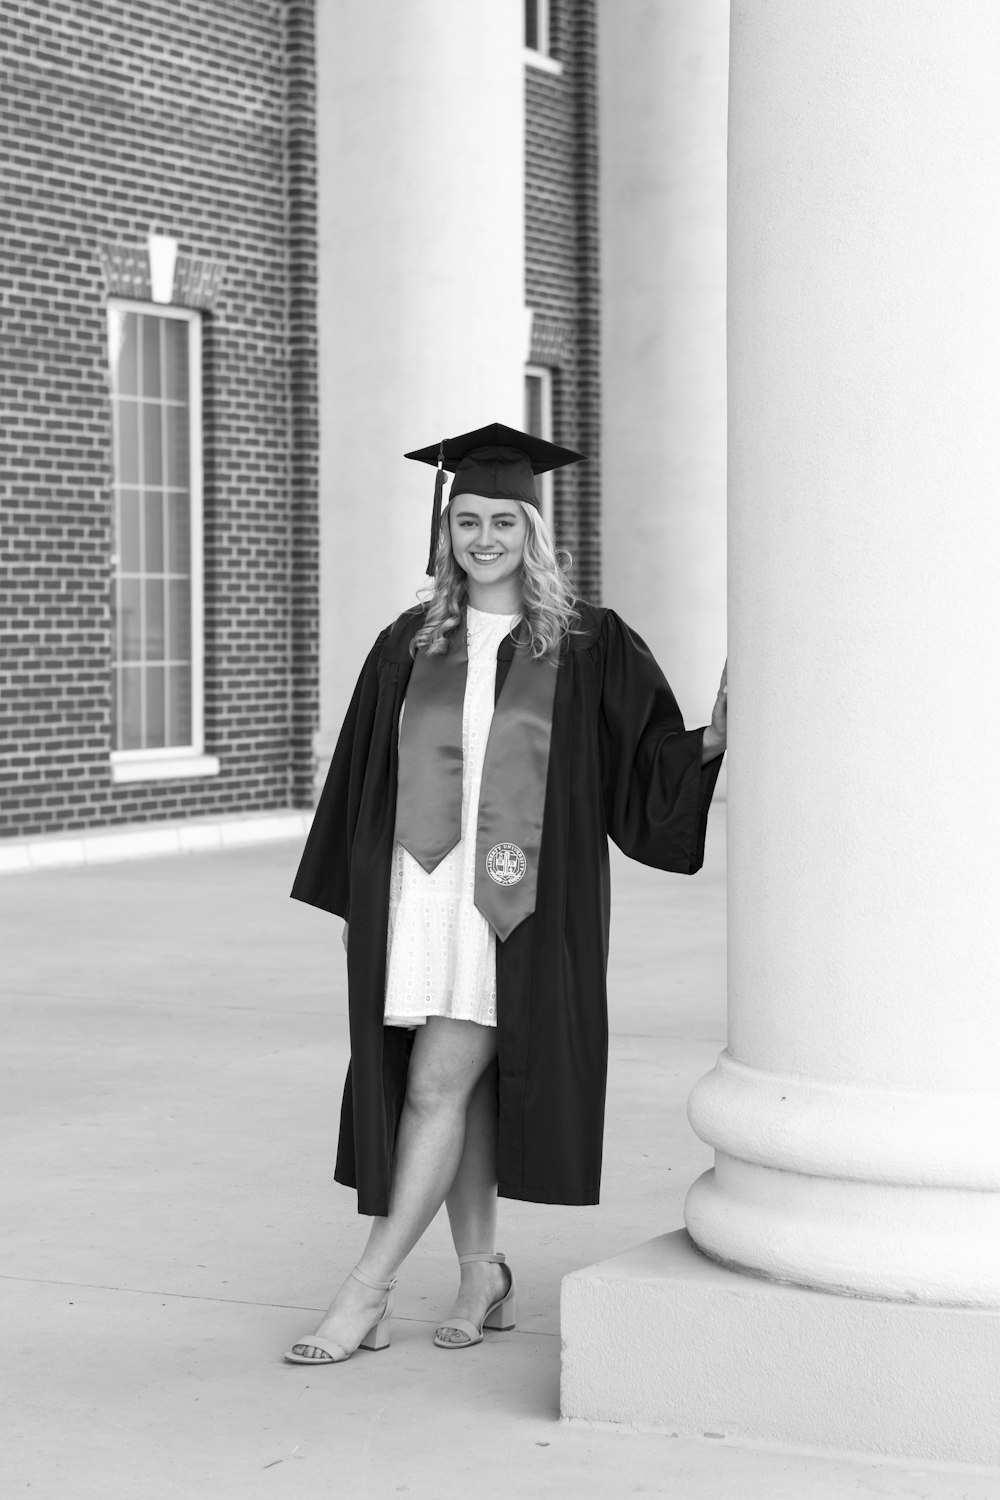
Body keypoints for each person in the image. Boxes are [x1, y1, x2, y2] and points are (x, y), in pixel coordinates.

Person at [284, 421, 727, 1365]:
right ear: (445, 532)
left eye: (503, 522)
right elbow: (363, 778)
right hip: (425, 893)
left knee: (438, 1082)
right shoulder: (407, 643)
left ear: (535, 532)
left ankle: (365, 1291)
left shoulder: (590, 643)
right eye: (467, 521)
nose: (483, 538)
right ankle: (482, 1271)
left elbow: (641, 764)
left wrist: (709, 746)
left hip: (518, 905)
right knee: (460, 1090)